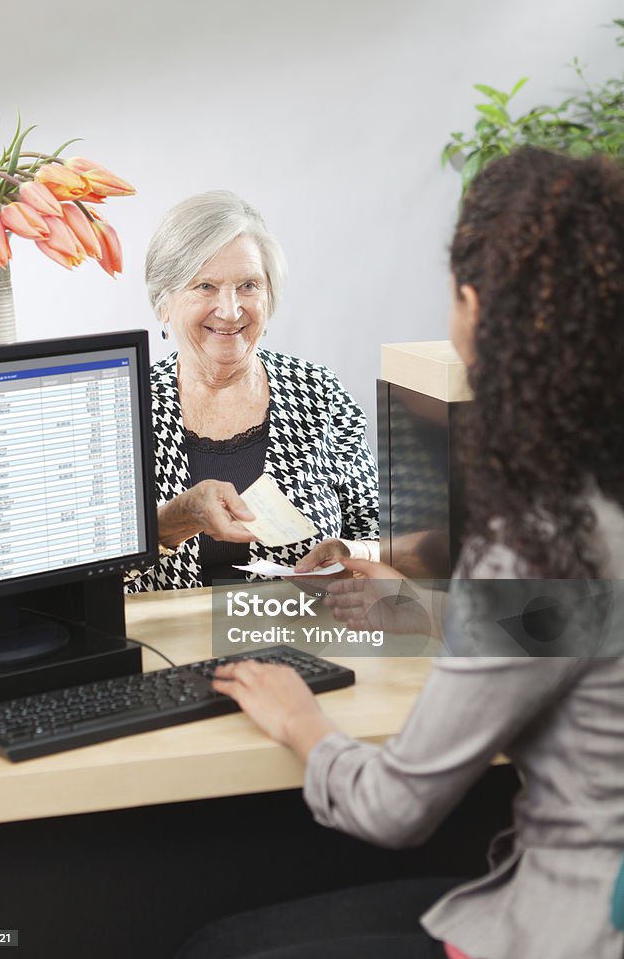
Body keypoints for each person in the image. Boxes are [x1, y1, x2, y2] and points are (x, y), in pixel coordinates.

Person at [177, 149, 624, 958]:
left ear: (473, 305)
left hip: (572, 926)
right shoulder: (597, 498)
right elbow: (581, 624)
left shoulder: (542, 530)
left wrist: (299, 717)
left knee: (216, 946)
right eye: (204, 285)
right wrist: (423, 613)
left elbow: (391, 807)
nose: (229, 307)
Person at [126, 191, 379, 590]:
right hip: (168, 643)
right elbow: (85, 574)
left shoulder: (319, 392)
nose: (230, 310)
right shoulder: (126, 407)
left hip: (304, 629)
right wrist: (171, 524)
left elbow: (378, 533)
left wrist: (355, 554)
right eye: (205, 286)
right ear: (164, 304)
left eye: (248, 285)